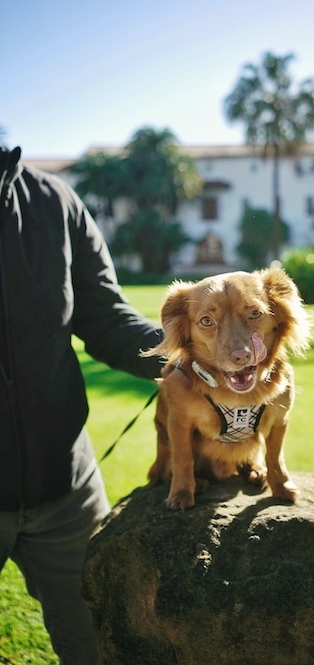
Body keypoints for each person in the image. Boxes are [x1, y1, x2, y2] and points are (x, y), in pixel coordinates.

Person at [0, 144, 165, 664]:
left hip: (66, 492)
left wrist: (181, 352)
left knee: (97, 647)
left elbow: (105, 316)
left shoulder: (54, 200)